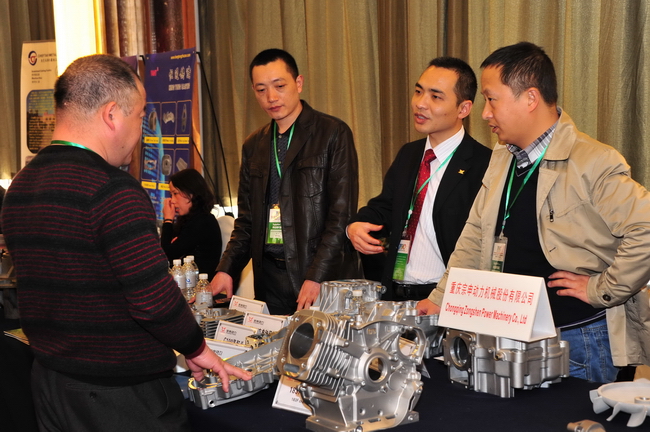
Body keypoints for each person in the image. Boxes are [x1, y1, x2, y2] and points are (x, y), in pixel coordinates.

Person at [0, 54, 251, 431]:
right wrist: (197, 348)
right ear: (112, 114)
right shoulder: (113, 190)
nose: (141, 132)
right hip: (121, 397)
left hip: (51, 385)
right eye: (140, 117)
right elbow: (153, 300)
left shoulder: (21, 185)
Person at [417, 42, 650, 382]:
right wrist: (442, 298)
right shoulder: (503, 157)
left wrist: (601, 288)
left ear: (530, 98)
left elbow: (645, 230)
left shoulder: (593, 161)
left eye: (492, 99)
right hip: (510, 333)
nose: (485, 113)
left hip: (577, 340)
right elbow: (474, 236)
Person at [211, 48, 359, 315]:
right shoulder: (253, 145)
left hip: (318, 277)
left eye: (279, 86)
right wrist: (226, 269)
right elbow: (247, 221)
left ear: (298, 83)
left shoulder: (332, 133)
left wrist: (317, 276)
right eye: (261, 90)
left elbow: (341, 216)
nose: (271, 97)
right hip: (270, 278)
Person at [348, 57, 491, 301]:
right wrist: (357, 225)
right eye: (418, 92)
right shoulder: (410, 154)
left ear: (463, 109)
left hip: (446, 298)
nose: (420, 104)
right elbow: (385, 207)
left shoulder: (483, 164)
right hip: (395, 296)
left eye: (435, 97)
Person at [161, 168, 222, 279]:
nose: (172, 200)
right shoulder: (187, 220)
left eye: (175, 193)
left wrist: (168, 220)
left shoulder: (203, 221)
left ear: (191, 193)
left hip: (199, 285)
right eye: (171, 194)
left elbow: (166, 255)